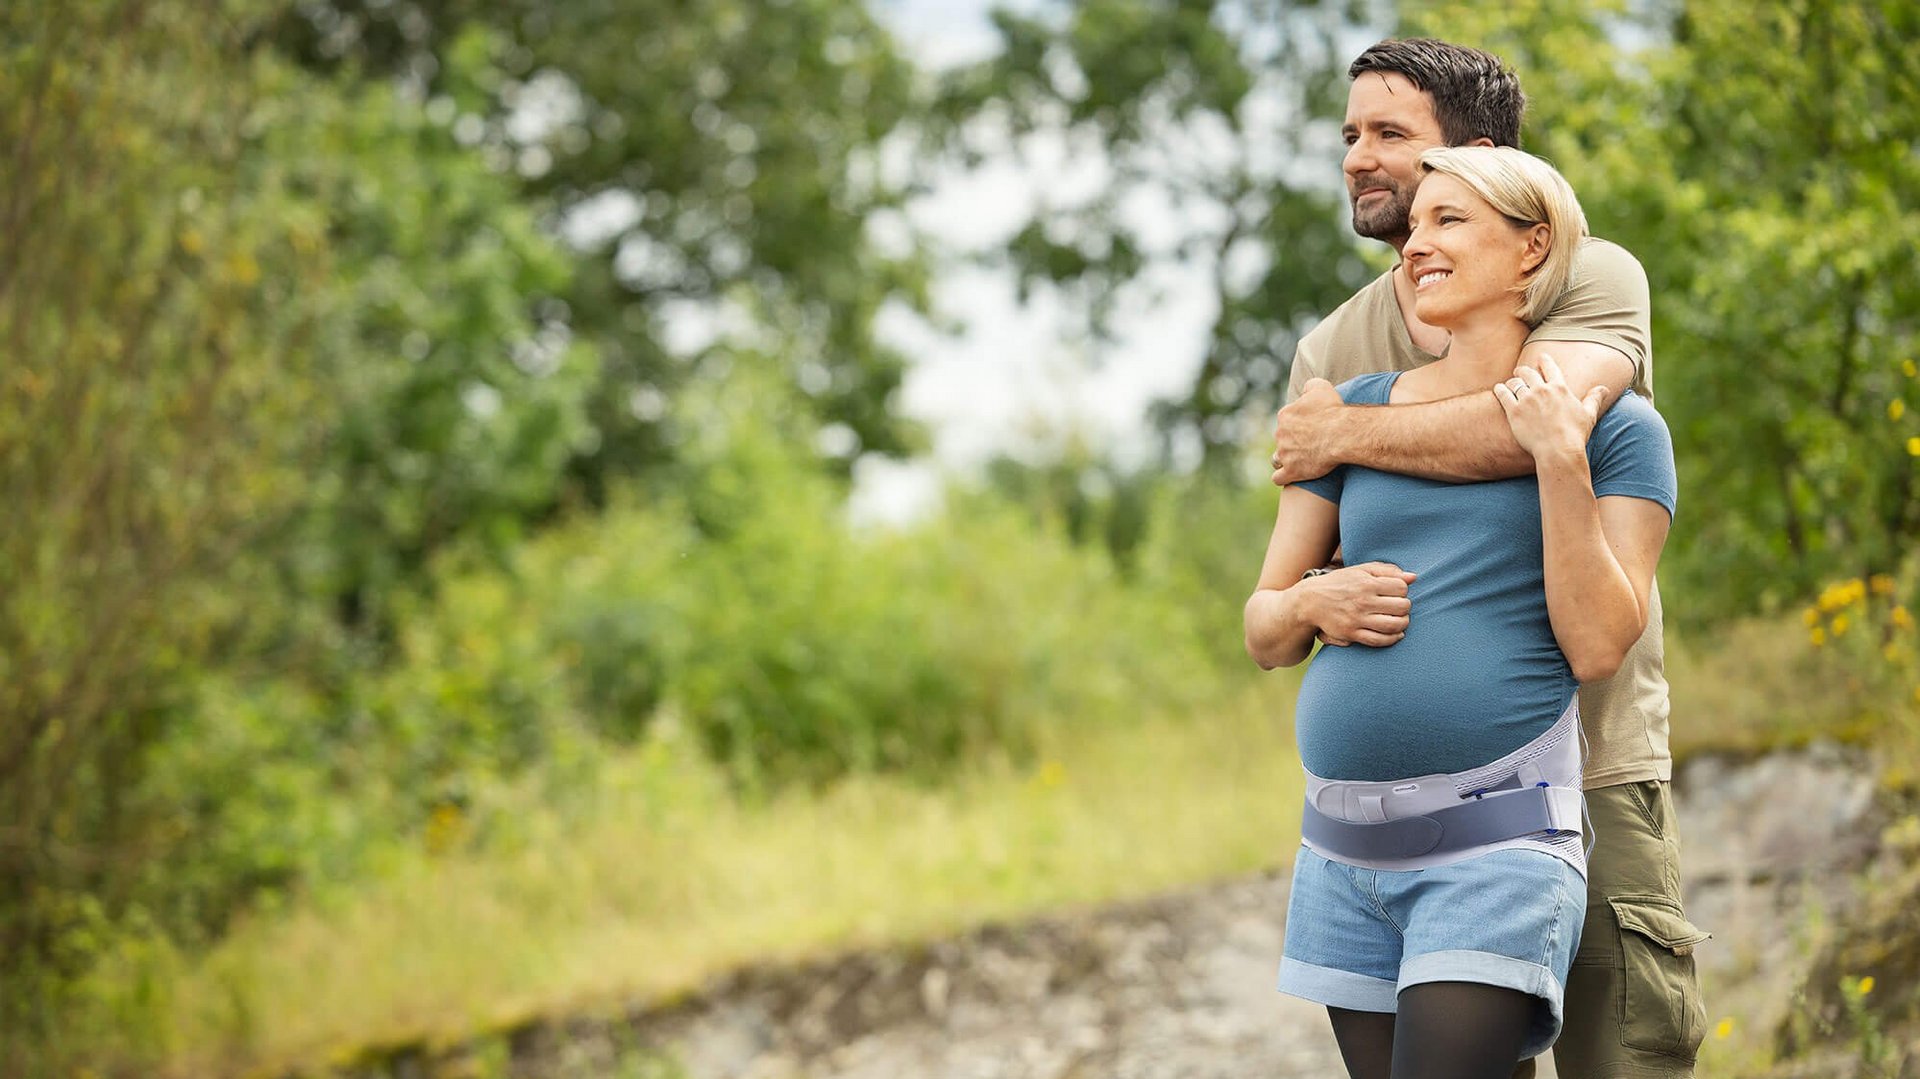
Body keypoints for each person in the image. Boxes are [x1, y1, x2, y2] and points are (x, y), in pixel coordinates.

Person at [1264, 40, 1708, 1077]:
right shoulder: (1336, 346)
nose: (1358, 160)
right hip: (1388, 822)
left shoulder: (1588, 271)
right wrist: (1312, 596)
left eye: (1392, 137)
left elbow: (1534, 428)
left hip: (1587, 768)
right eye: (1350, 136)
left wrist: (1345, 434)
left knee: (1625, 1053)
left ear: (1480, 154)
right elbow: (1289, 582)